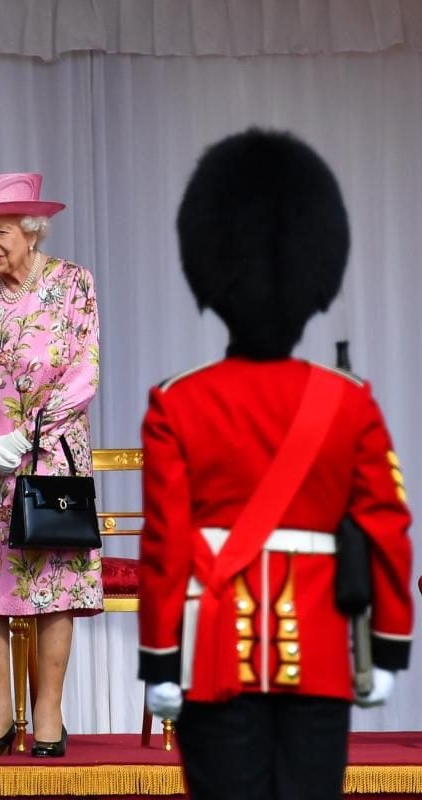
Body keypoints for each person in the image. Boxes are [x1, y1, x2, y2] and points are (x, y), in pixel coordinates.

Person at [138, 129, 414, 799]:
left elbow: (166, 545)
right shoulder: (349, 403)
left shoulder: (178, 402)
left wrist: (161, 660)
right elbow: (387, 527)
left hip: (212, 656)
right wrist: (389, 643)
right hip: (319, 654)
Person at [0, 173, 102, 758]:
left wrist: (30, 436)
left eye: (0, 231)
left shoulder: (74, 284)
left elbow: (85, 371)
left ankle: (49, 716)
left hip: (52, 459)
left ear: (31, 231)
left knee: (54, 586)